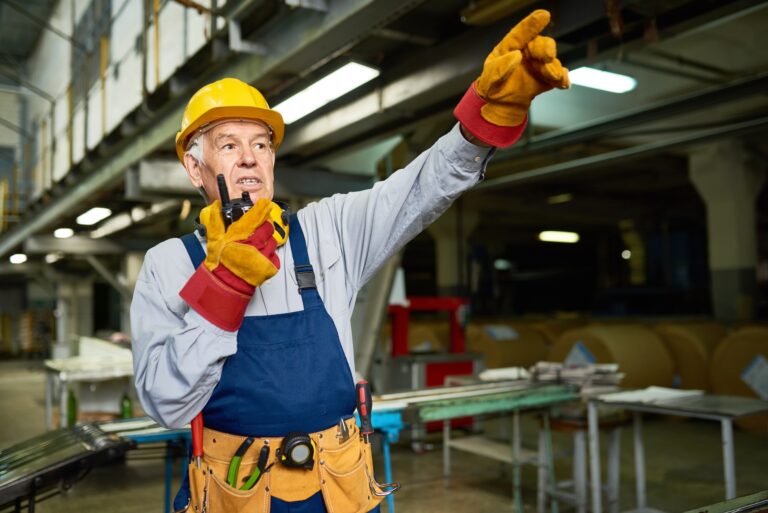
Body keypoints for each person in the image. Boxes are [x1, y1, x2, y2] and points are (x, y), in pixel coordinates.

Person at [130, 9, 569, 513]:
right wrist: (225, 284)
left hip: (337, 488)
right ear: (194, 166)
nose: (250, 158)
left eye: (261, 144)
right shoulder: (169, 265)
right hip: (236, 495)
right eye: (228, 145)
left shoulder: (326, 230)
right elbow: (166, 405)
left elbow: (419, 190)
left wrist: (484, 119)